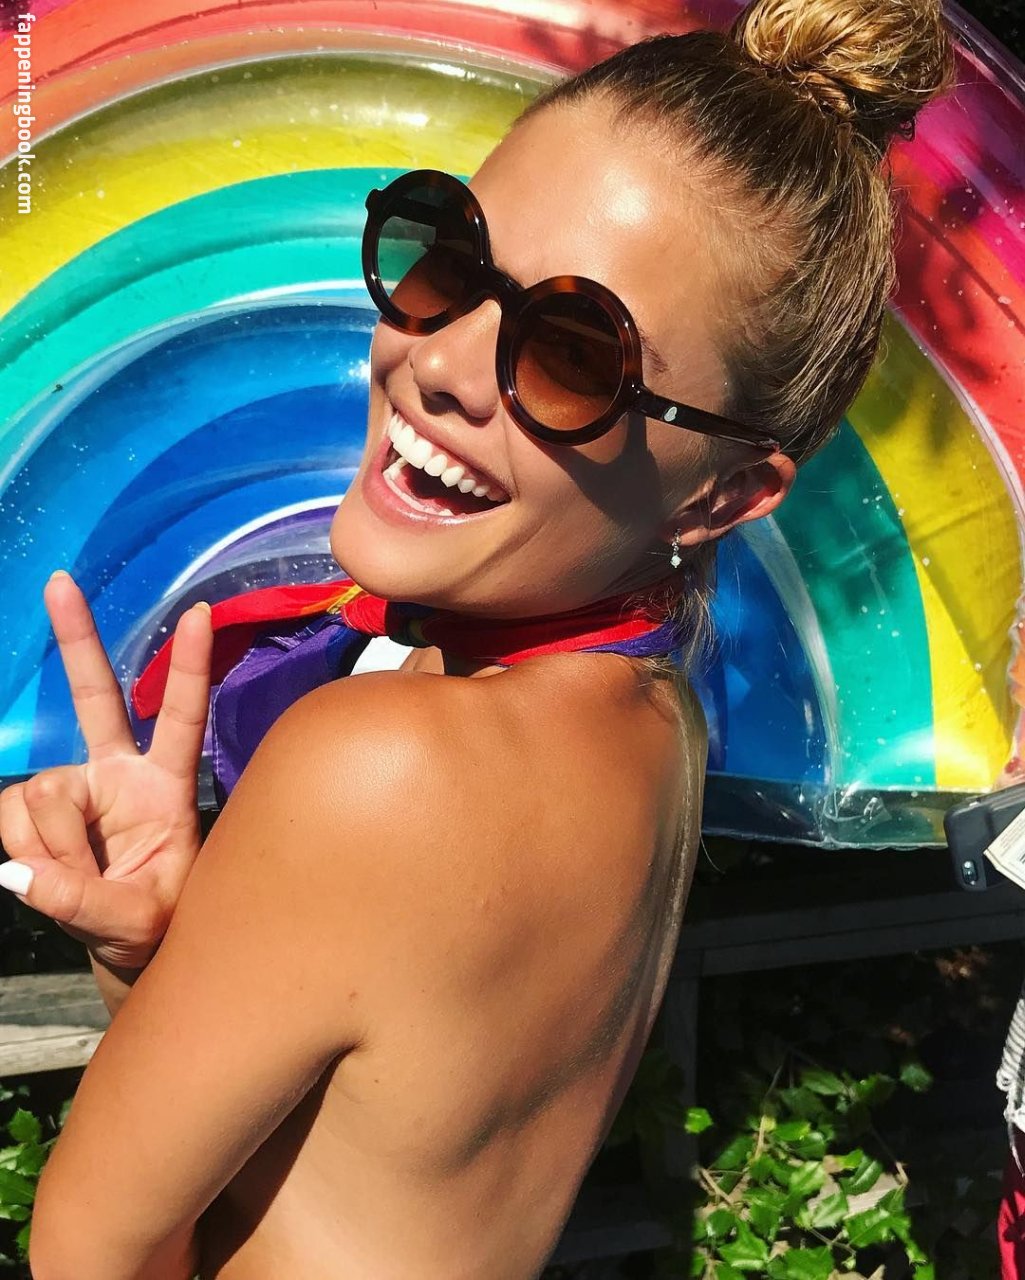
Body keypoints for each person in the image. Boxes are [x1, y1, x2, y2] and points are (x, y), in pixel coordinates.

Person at [0, 1, 952, 1276]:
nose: (442, 361)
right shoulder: (652, 721)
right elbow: (358, 1159)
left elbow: (91, 1253)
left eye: (572, 355)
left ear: (724, 492)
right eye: (451, 262)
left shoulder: (385, 763)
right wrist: (160, 957)